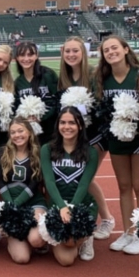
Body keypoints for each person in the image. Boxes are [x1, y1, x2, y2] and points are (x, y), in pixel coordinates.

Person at [94, 36, 139, 255]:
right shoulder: (102, 79)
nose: (111, 52)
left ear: (126, 49)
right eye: (106, 50)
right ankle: (129, 231)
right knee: (124, 186)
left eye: (114, 48)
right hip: (116, 139)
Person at [58, 36, 116, 240]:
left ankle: (107, 218)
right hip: (74, 137)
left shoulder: (93, 75)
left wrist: (87, 110)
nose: (71, 55)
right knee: (78, 177)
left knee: (87, 177)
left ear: (83, 53)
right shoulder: (63, 79)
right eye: (67, 51)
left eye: (75, 51)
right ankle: (86, 216)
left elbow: (104, 105)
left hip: (95, 135)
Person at [41, 107, 99, 266]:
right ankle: (62, 240)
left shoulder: (91, 152)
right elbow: (49, 182)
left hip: (81, 205)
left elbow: (84, 184)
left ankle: (87, 237)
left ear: (80, 125)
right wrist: (61, 207)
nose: (67, 127)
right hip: (56, 204)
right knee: (66, 260)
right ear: (57, 125)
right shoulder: (47, 149)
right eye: (63, 122)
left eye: (72, 123)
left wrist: (71, 208)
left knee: (70, 245)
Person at [0, 117, 48, 264]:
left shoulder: (38, 153)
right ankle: (16, 243)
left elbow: (34, 185)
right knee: (22, 258)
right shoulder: (0, 154)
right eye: (13, 132)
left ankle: (33, 241)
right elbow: (0, 183)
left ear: (29, 132)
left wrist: (16, 204)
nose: (17, 135)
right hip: (11, 205)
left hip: (34, 203)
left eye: (20, 131)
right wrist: (11, 207)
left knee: (36, 240)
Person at [14, 41, 59, 145]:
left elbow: (58, 99)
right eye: (22, 55)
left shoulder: (48, 74)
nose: (26, 59)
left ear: (37, 55)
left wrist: (42, 117)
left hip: (51, 131)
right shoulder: (18, 82)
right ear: (16, 57)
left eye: (30, 54)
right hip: (29, 134)